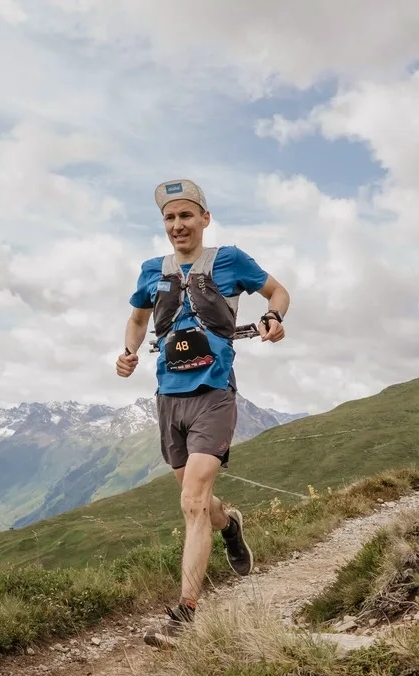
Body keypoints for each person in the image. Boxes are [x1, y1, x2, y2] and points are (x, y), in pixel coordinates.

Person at [115, 178, 290, 649]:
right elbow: (136, 318)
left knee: (191, 503)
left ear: (205, 218)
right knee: (202, 504)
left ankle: (185, 614)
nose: (178, 225)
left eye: (186, 215)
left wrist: (275, 318)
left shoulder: (229, 260)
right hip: (168, 398)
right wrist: (128, 353)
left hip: (214, 394)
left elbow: (278, 292)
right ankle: (230, 524)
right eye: (170, 218)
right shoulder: (152, 270)